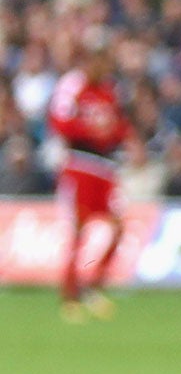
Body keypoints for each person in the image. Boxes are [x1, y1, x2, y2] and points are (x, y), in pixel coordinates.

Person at [46, 45, 130, 322]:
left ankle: (94, 285)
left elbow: (120, 125)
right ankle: (70, 296)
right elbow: (59, 122)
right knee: (77, 230)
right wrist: (92, 131)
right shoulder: (72, 86)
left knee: (117, 226)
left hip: (105, 168)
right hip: (79, 164)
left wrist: (113, 133)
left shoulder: (109, 90)